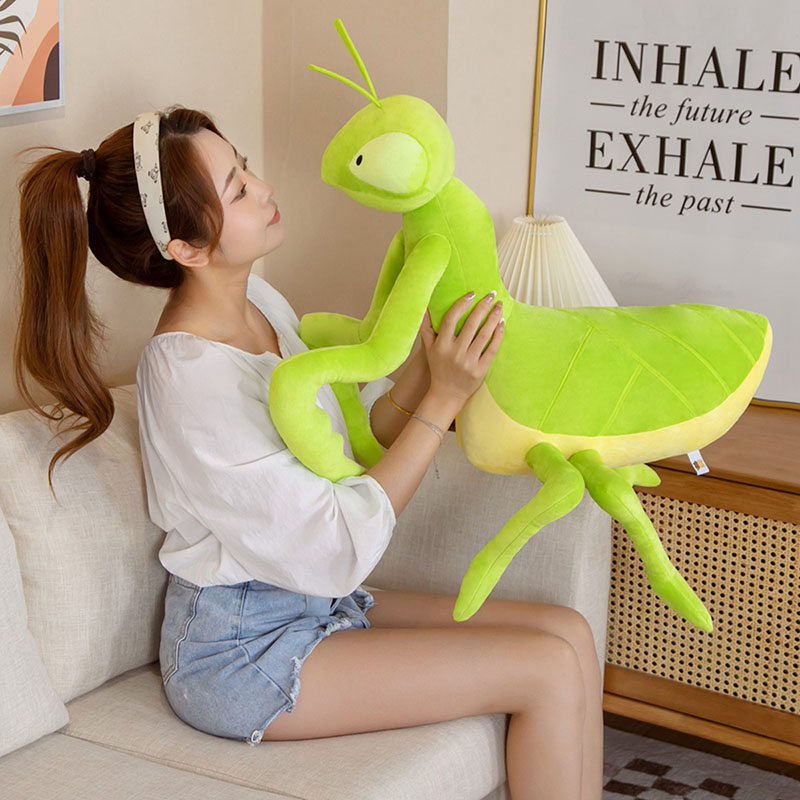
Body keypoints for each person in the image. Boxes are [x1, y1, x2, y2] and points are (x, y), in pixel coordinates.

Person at [13, 105, 603, 800]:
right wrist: (442, 403)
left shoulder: (260, 304)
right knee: (544, 669)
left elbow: (349, 449)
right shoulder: (188, 377)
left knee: (568, 632)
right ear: (188, 249)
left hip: (313, 600)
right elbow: (336, 545)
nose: (264, 188)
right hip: (239, 650)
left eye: (244, 166)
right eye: (237, 189)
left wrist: (426, 368)